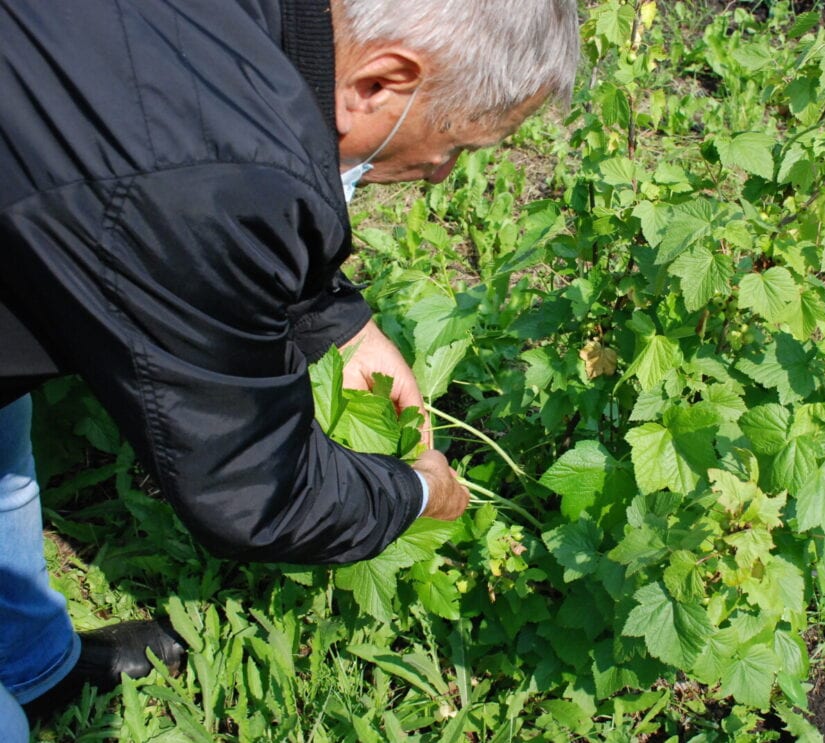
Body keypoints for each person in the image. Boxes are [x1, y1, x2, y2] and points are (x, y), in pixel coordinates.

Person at [0, 0, 579, 736]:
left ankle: (33, 666)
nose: (441, 175)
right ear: (379, 82)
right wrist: (411, 489)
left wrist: (339, 324)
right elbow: (253, 489)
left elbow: (152, 160)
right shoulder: (214, 176)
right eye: (457, 145)